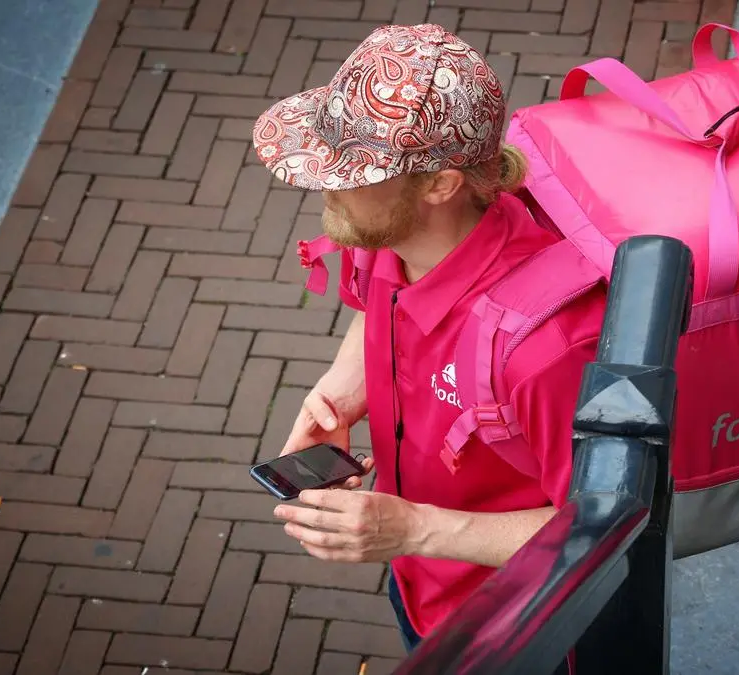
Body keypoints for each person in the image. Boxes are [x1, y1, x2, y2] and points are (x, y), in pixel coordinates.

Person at [252, 23, 604, 673]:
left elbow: (595, 529)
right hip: (421, 584)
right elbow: (373, 301)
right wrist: (340, 387)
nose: (326, 182)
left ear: (441, 185)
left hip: (517, 629)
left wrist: (413, 529)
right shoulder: (385, 232)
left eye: (353, 168)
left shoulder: (548, 350)